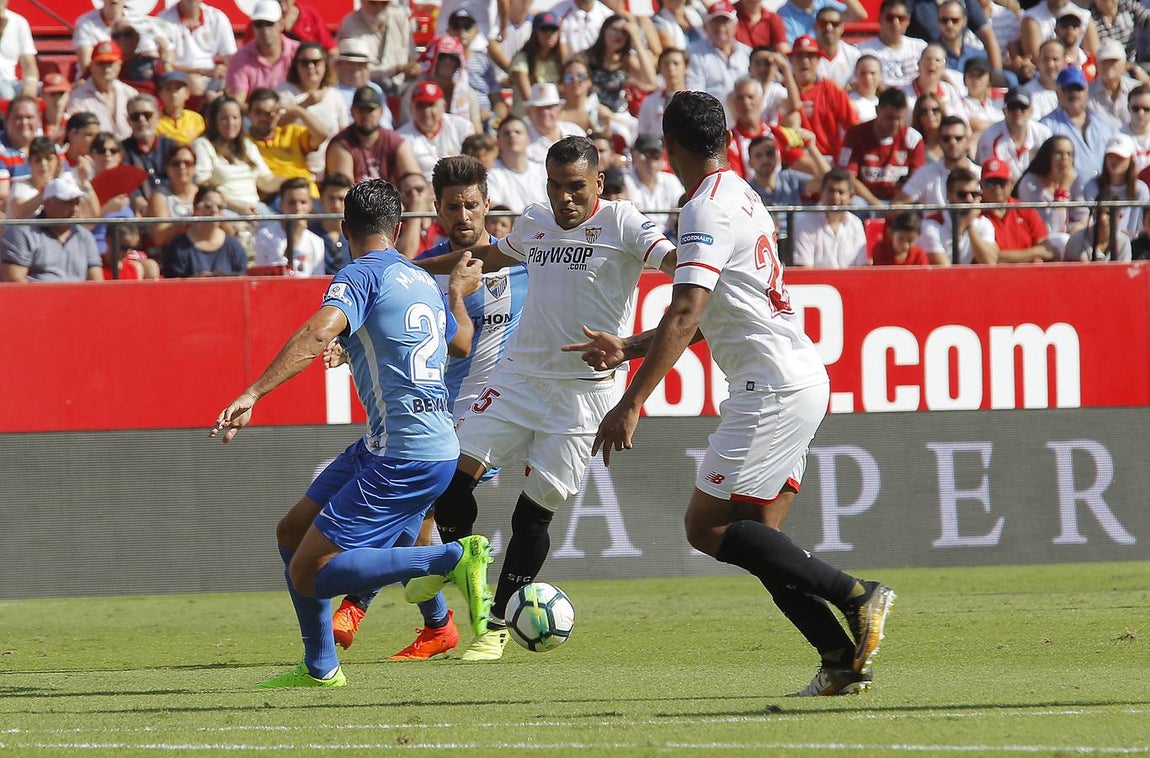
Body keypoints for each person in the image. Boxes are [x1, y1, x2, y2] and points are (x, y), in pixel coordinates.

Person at [573, 90, 894, 698]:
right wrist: (629, 346)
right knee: (763, 540)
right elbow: (718, 311)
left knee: (706, 527)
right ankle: (840, 660)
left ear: (669, 149)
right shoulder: (741, 192)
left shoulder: (703, 209)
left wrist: (630, 401)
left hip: (770, 384)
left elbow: (688, 310)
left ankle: (859, 595)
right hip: (798, 373)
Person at [210, 177, 492, 689]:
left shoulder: (359, 276)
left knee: (307, 571)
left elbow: (317, 332)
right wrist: (452, 296)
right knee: (291, 533)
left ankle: (452, 557)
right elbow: (459, 346)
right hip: (413, 444)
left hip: (404, 454)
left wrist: (253, 392)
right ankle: (321, 667)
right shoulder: (419, 279)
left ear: (343, 230)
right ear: (399, 228)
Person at [411, 135, 679, 661]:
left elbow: (688, 283)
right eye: (555, 187)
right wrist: (415, 271)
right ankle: (451, 564)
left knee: (531, 518)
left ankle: (496, 623)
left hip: (584, 398)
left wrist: (629, 349)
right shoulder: (535, 221)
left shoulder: (626, 224)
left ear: (599, 182)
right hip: (518, 381)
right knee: (445, 477)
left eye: (575, 187)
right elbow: (485, 255)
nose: (564, 199)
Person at [330, 156, 530, 658]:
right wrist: (341, 340)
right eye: (451, 206)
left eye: (471, 204)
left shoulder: (523, 263)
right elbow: (386, 317)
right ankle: (444, 625)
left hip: (496, 412)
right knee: (421, 520)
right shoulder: (421, 273)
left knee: (417, 506)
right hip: (439, 409)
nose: (462, 215)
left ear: (487, 205)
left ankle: (358, 604)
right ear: (436, 211)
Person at [0, 175, 101, 283]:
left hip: (79, 298)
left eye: (76, 202)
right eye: (67, 202)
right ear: (47, 203)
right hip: (37, 299)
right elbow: (13, 279)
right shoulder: (21, 233)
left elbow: (97, 282)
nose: (74, 208)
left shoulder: (85, 236)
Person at [193, 96, 282, 215]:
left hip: (255, 206)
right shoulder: (202, 145)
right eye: (225, 118)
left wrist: (292, 181)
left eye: (235, 117)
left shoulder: (247, 145)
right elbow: (202, 184)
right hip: (224, 209)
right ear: (214, 120)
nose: (231, 123)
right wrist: (237, 207)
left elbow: (265, 181)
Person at [838, 88, 924, 205]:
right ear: (877, 111)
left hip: (900, 201)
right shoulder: (855, 134)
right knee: (855, 203)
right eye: (889, 118)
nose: (895, 124)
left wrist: (897, 204)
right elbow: (848, 177)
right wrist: (876, 204)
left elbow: (918, 181)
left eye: (899, 119)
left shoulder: (913, 138)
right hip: (866, 201)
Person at [276, 42, 351, 175]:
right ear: (296, 66)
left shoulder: (334, 95)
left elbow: (344, 134)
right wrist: (306, 103)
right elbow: (276, 124)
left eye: (316, 62)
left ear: (325, 64)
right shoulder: (283, 92)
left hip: (330, 171)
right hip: (294, 168)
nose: (310, 67)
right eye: (304, 63)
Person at [326, 86, 421, 185]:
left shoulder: (394, 141)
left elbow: (414, 179)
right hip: (355, 199)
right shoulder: (342, 143)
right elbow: (343, 189)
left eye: (370, 109)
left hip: (390, 199)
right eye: (361, 109)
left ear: (381, 112)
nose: (366, 115)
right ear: (352, 111)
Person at [247, 87, 330, 196]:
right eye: (258, 112)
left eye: (269, 113)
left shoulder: (291, 132)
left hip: (307, 193)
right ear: (249, 113)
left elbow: (322, 135)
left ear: (277, 113)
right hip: (276, 197)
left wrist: (297, 110)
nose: (263, 118)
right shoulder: (244, 143)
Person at [1014, 134, 1088, 253]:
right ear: (1048, 156)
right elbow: (1051, 229)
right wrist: (1062, 190)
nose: (1065, 158)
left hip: (1067, 238)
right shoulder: (1030, 183)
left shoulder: (1073, 179)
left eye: (1069, 154)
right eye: (1059, 153)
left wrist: (1078, 228)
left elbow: (1084, 215)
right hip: (1039, 243)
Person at [1041, 66, 1117, 181]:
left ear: (1086, 90)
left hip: (1103, 194)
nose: (1074, 94)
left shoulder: (1105, 124)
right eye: (1068, 89)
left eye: (1078, 88)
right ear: (1057, 92)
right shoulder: (1046, 126)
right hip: (1068, 195)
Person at [161, 185, 249, 277]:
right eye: (208, 206)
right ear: (195, 209)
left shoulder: (234, 246)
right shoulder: (178, 247)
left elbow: (242, 278)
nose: (214, 210)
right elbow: (172, 284)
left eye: (219, 207)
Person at [917, 167, 1000, 265]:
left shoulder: (983, 223)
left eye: (974, 194)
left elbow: (990, 261)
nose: (969, 199)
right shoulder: (932, 225)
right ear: (949, 195)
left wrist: (969, 226)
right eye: (962, 194)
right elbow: (944, 270)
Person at [979, 158, 1054, 263]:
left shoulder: (1024, 209)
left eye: (1001, 182)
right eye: (990, 183)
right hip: (991, 276)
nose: (997, 188)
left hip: (1027, 274)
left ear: (1011, 184)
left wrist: (1003, 257)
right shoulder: (975, 213)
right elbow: (990, 258)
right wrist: (1033, 253)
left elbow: (1046, 248)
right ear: (981, 185)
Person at [336, 0, 419, 95]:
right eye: (373, 2)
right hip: (364, 90)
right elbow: (357, 69)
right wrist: (396, 69)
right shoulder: (350, 24)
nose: (379, 8)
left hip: (402, 89)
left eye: (384, 3)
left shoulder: (400, 19)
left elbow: (414, 57)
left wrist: (414, 68)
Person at [157, 0, 237, 98]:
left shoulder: (217, 17)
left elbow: (231, 58)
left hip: (212, 75)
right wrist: (201, 71)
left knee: (235, 83)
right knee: (195, 82)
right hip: (183, 76)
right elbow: (167, 65)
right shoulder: (164, 20)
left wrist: (225, 71)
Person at [398, 81, 475, 182]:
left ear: (443, 107)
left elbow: (474, 164)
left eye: (431, 105)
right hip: (424, 191)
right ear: (412, 109)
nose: (426, 111)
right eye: (420, 106)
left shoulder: (462, 127)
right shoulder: (401, 138)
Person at [226, 0, 300, 105]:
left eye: (269, 24)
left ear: (281, 24)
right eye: (258, 24)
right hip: (254, 118)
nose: (264, 29)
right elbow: (238, 102)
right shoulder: (240, 59)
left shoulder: (298, 52)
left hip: (294, 113)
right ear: (253, 27)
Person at [791, 168, 867, 267]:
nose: (835, 197)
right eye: (831, 191)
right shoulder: (804, 222)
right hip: (817, 282)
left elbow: (861, 267)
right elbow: (804, 269)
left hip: (851, 282)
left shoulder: (855, 223)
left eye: (841, 192)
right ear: (821, 193)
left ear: (851, 196)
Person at [894, 116, 976, 206]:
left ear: (967, 141)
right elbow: (896, 205)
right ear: (939, 141)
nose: (952, 143)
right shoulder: (925, 175)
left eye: (958, 138)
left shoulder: (979, 173)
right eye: (946, 139)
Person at [67, 41, 139, 141]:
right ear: (91, 65)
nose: (106, 68)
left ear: (119, 64)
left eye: (110, 63)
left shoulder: (131, 94)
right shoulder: (77, 97)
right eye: (101, 63)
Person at [254, 177, 327, 274]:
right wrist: (295, 239)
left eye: (303, 202)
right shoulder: (265, 236)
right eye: (292, 202)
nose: (297, 208)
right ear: (281, 205)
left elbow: (318, 278)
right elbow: (270, 275)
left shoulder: (316, 241)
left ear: (310, 205)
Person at [1083, 132, 1150, 239]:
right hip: (1098, 240)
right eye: (1110, 156)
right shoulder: (1092, 186)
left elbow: (1140, 225)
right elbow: (1089, 220)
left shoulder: (1141, 189)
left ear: (1131, 160)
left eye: (1120, 157)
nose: (1114, 161)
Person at [976, 88, 1051, 181]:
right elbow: (989, 175)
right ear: (1004, 111)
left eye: (1022, 107)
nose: (1018, 111)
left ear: (1031, 111)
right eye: (1013, 107)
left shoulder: (1043, 134)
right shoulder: (989, 137)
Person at [686, 1, 752, 98]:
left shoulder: (747, 53)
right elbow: (695, 93)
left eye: (725, 21)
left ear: (735, 25)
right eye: (716, 22)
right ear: (706, 25)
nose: (721, 27)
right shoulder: (694, 53)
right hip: (712, 111)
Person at [856, 0, 927, 89]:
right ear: (880, 19)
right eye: (890, 18)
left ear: (908, 20)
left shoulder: (920, 48)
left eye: (901, 18)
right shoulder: (863, 50)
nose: (896, 23)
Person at [507, 12, 566, 118]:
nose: (549, 34)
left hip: (551, 120)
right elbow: (529, 99)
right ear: (535, 32)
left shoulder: (560, 60)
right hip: (524, 120)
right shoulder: (521, 59)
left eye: (553, 29)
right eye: (544, 29)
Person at [121, 94, 178, 204]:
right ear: (128, 121)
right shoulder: (120, 151)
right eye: (135, 116)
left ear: (158, 117)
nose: (142, 120)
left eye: (147, 115)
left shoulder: (172, 147)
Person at [625, 133, 685, 234]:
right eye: (646, 155)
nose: (651, 162)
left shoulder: (671, 180)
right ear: (634, 155)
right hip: (635, 237)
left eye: (655, 156)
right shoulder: (625, 180)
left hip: (668, 237)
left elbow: (682, 206)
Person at [487, 115, 549, 213]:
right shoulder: (491, 173)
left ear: (528, 139)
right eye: (506, 133)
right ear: (498, 141)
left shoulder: (543, 171)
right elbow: (493, 207)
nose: (512, 135)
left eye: (518, 132)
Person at [146, 144, 201, 248]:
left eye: (188, 163)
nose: (182, 167)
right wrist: (187, 219)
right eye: (176, 163)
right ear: (167, 167)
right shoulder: (160, 196)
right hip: (172, 251)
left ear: (194, 167)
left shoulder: (203, 193)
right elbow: (159, 237)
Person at [637, 48, 689, 138]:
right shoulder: (650, 102)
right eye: (666, 64)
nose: (671, 68)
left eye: (676, 64)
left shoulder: (696, 101)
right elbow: (642, 133)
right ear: (660, 69)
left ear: (685, 67)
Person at [311, 172, 353, 274]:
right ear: (321, 198)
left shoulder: (357, 235)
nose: (336, 205)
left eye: (341, 199)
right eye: (331, 198)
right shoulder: (311, 234)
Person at [814, 6, 860, 89]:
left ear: (842, 28)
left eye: (834, 24)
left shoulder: (853, 55)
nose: (829, 28)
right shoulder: (805, 55)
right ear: (815, 27)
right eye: (823, 24)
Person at [0, 0, 37, 100]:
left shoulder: (19, 22)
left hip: (12, 82)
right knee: (5, 93)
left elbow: (29, 64)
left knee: (49, 92)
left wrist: (30, 83)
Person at [156, 72, 207, 144]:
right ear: (160, 94)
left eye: (178, 88)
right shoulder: (154, 120)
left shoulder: (196, 118)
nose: (173, 94)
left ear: (187, 93)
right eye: (168, 89)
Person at [910, 92, 946, 164]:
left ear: (942, 113)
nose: (930, 114)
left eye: (935, 110)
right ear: (918, 116)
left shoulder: (952, 140)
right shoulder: (913, 144)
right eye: (924, 111)